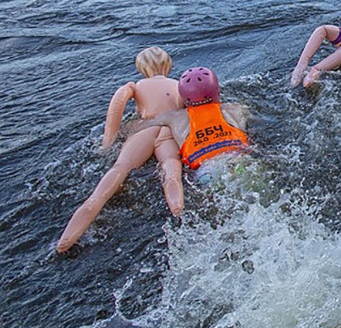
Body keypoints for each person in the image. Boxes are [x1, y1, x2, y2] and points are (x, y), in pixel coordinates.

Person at [56, 48, 185, 253]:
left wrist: (109, 143)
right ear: (168, 65)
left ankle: (71, 234)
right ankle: (177, 209)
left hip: (145, 129)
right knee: (171, 167)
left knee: (119, 169)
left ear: (142, 67)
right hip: (168, 131)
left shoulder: (136, 86)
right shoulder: (178, 84)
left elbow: (116, 108)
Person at [129, 67, 249, 172]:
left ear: (183, 98)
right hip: (238, 157)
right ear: (217, 91)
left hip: (207, 169)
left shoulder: (174, 117)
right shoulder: (236, 109)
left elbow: (143, 125)